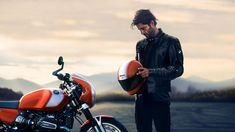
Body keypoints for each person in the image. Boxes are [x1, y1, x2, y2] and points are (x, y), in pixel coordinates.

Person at [131, 9, 184, 132]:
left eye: (143, 28)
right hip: (141, 100)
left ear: (152, 23)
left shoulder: (171, 41)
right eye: (140, 30)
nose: (142, 32)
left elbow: (177, 69)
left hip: (160, 98)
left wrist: (150, 72)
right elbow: (138, 68)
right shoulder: (140, 45)